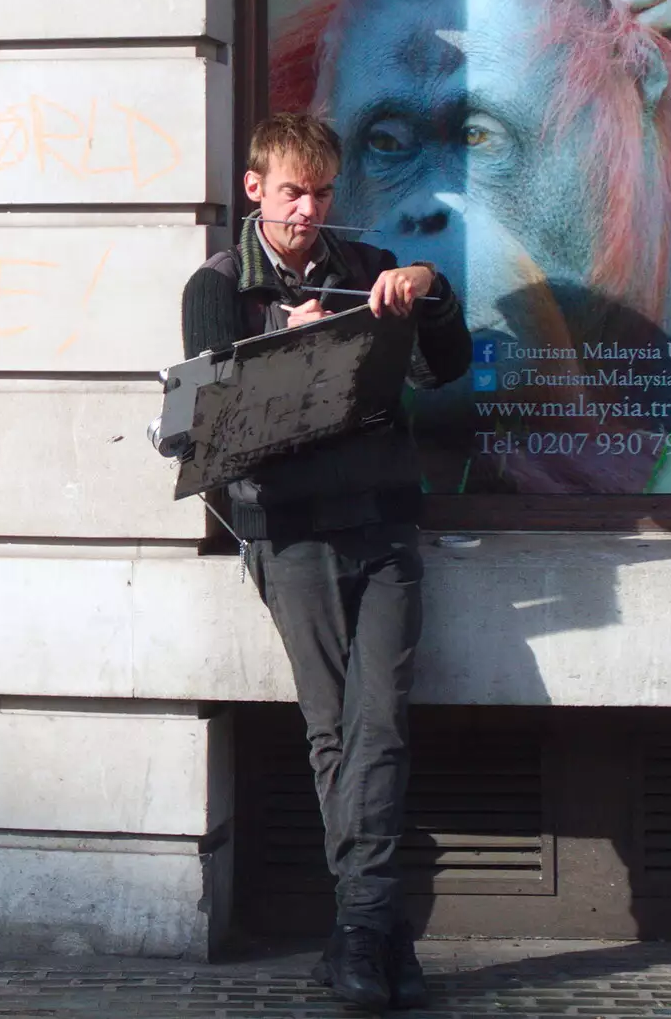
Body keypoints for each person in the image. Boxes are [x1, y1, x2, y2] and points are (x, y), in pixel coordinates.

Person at [180, 113, 471, 1011]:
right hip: (292, 530)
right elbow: (210, 428)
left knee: (380, 723)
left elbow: (447, 368)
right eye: (294, 192)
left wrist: (426, 286)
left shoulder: (364, 268)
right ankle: (375, 934)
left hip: (384, 522)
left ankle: (361, 931)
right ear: (256, 187)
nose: (310, 210)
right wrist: (291, 349)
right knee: (333, 729)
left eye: (323, 193)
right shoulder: (218, 285)